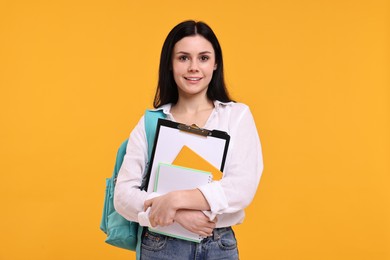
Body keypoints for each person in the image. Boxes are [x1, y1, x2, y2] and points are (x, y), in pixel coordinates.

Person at [114, 20, 263, 260]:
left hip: (218, 245)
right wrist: (178, 216)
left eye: (203, 58)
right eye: (183, 58)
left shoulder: (236, 116)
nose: (194, 67)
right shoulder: (151, 122)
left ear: (215, 64)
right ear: (170, 65)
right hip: (161, 245)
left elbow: (242, 187)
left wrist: (175, 200)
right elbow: (123, 196)